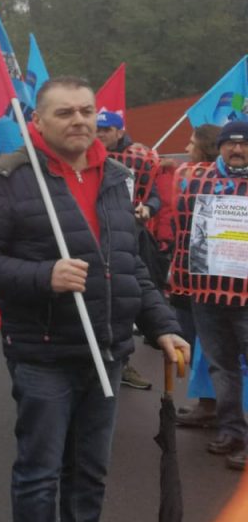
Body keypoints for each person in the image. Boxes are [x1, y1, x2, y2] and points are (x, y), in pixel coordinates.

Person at [0, 75, 188, 522]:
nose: (80, 121)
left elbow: (131, 268)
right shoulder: (8, 179)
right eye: (65, 113)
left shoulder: (119, 179)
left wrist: (164, 327)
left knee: (90, 473)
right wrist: (44, 276)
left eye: (87, 111)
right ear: (36, 121)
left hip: (105, 352)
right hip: (43, 352)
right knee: (40, 475)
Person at [170, 122, 248, 472]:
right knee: (222, 366)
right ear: (219, 147)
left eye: (244, 144)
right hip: (208, 293)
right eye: (231, 144)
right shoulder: (196, 180)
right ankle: (232, 430)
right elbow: (182, 230)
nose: (238, 150)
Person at [95, 110, 165, 391]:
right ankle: (105, 358)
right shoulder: (86, 156)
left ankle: (122, 360)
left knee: (130, 295)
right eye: (97, 130)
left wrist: (148, 207)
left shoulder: (141, 159)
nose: (100, 135)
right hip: (96, 235)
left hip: (130, 235)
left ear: (119, 131)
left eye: (105, 130)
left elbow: (155, 195)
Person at [173, 123, 222, 429]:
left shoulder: (194, 175)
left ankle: (212, 405)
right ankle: (212, 403)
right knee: (199, 340)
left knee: (205, 342)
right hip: (189, 269)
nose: (187, 149)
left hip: (202, 277)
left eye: (192, 144)